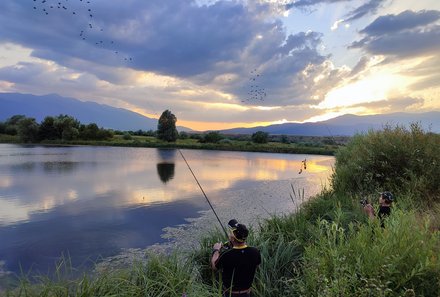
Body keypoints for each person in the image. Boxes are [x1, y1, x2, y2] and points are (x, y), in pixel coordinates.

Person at [211, 219, 261, 297]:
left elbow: (214, 267)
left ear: (233, 239)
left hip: (230, 294)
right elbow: (256, 265)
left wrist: (216, 250)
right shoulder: (255, 252)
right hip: (247, 294)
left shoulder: (226, 255)